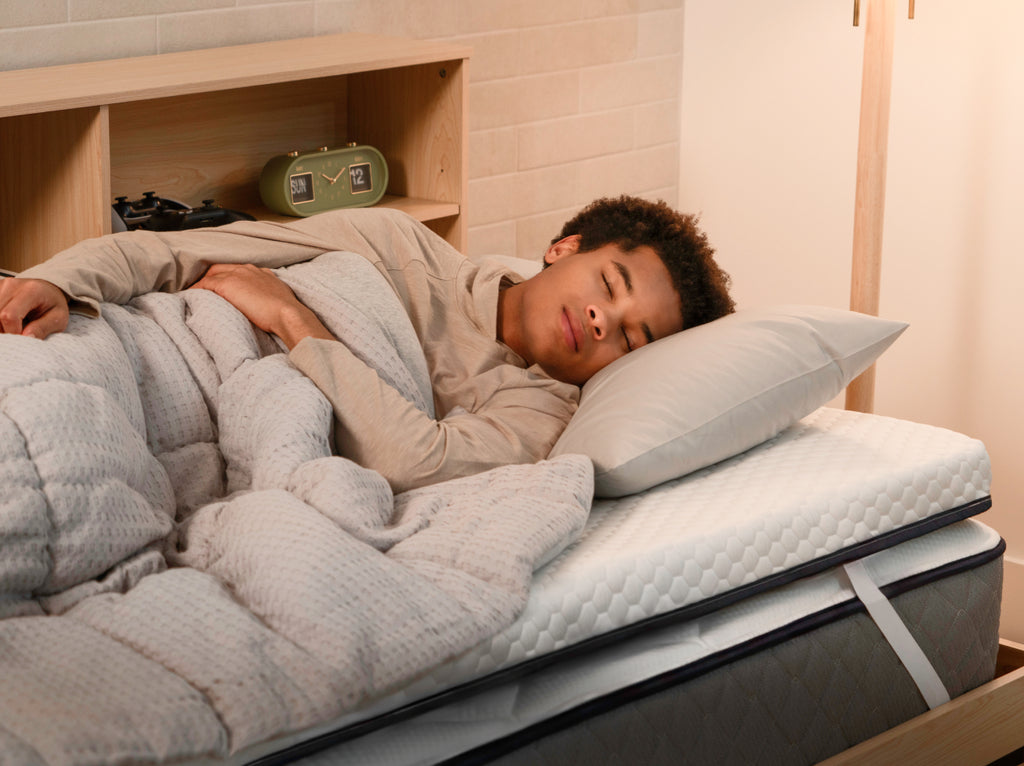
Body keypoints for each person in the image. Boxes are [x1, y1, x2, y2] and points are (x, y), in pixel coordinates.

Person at [0, 195, 734, 491]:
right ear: (564, 247)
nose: (605, 321)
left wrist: (294, 321)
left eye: (632, 336)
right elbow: (190, 251)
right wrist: (59, 281)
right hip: (132, 336)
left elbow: (412, 457)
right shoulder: (397, 243)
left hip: (184, 409)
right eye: (609, 284)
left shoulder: (540, 417)